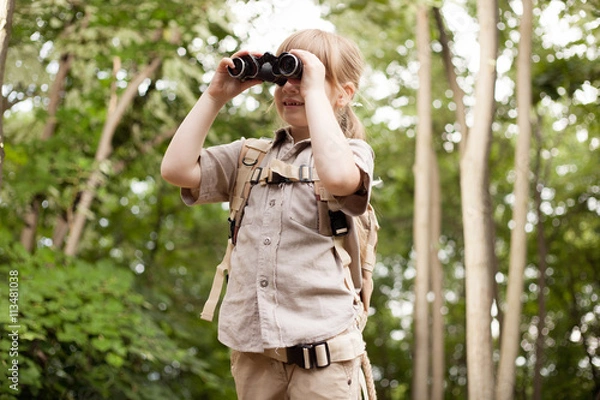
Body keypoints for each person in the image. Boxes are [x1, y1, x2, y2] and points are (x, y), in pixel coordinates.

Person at [161, 29, 374, 400]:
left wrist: (313, 93)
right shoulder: (250, 156)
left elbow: (339, 178)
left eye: (305, 77)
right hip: (255, 356)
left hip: (325, 358)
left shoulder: (351, 153)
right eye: (283, 76)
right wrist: (215, 96)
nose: (291, 87)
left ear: (343, 94)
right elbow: (176, 169)